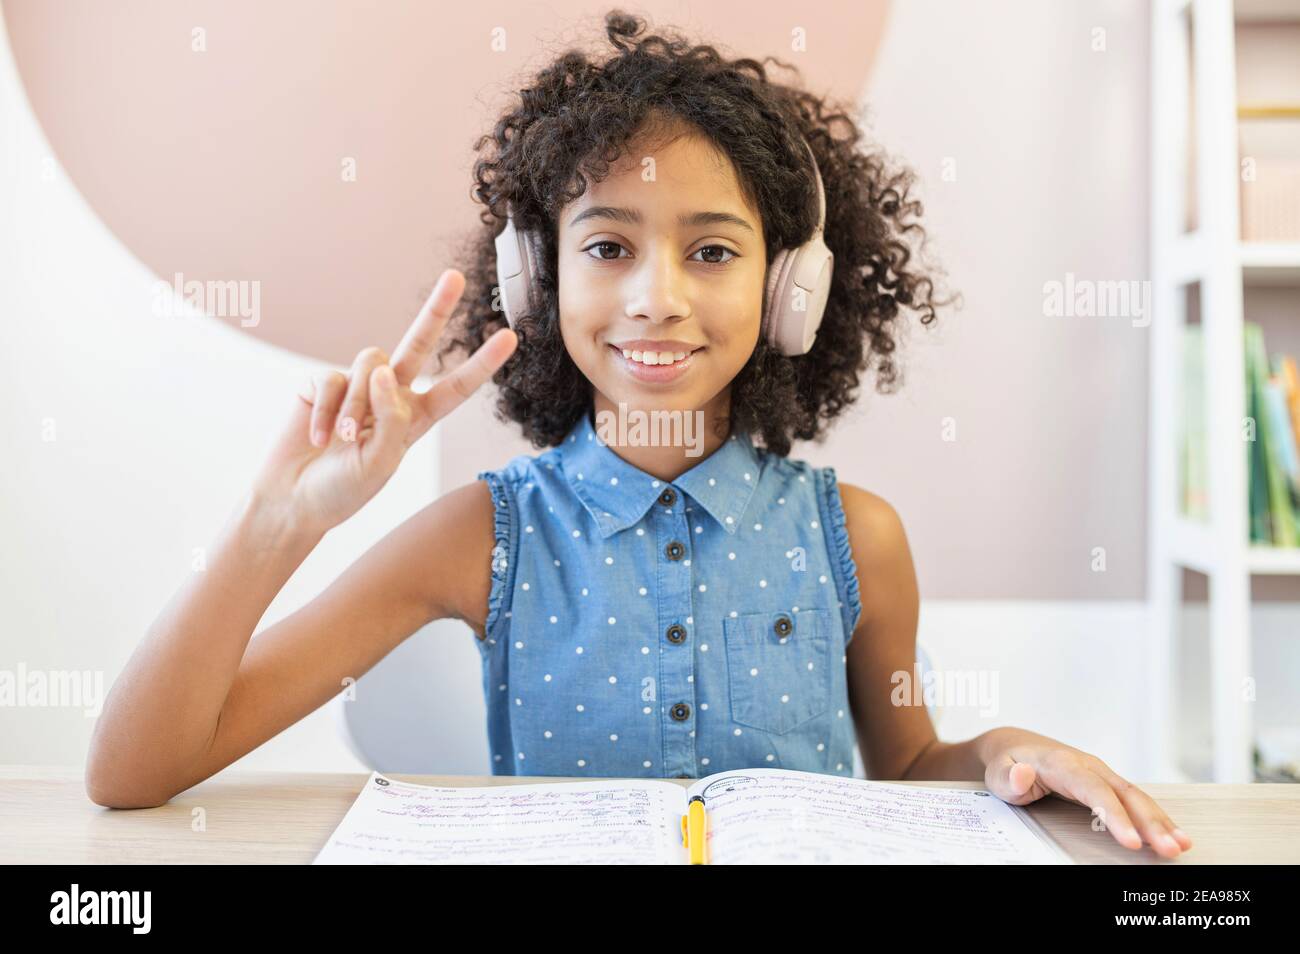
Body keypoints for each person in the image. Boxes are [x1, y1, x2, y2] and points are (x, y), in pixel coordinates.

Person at [87, 9, 1191, 860]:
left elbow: (905, 769)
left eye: (712, 252)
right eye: (608, 246)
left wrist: (999, 753)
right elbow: (135, 771)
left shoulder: (856, 535)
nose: (657, 296)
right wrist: (276, 526)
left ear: (789, 288)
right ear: (537, 277)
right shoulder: (479, 536)